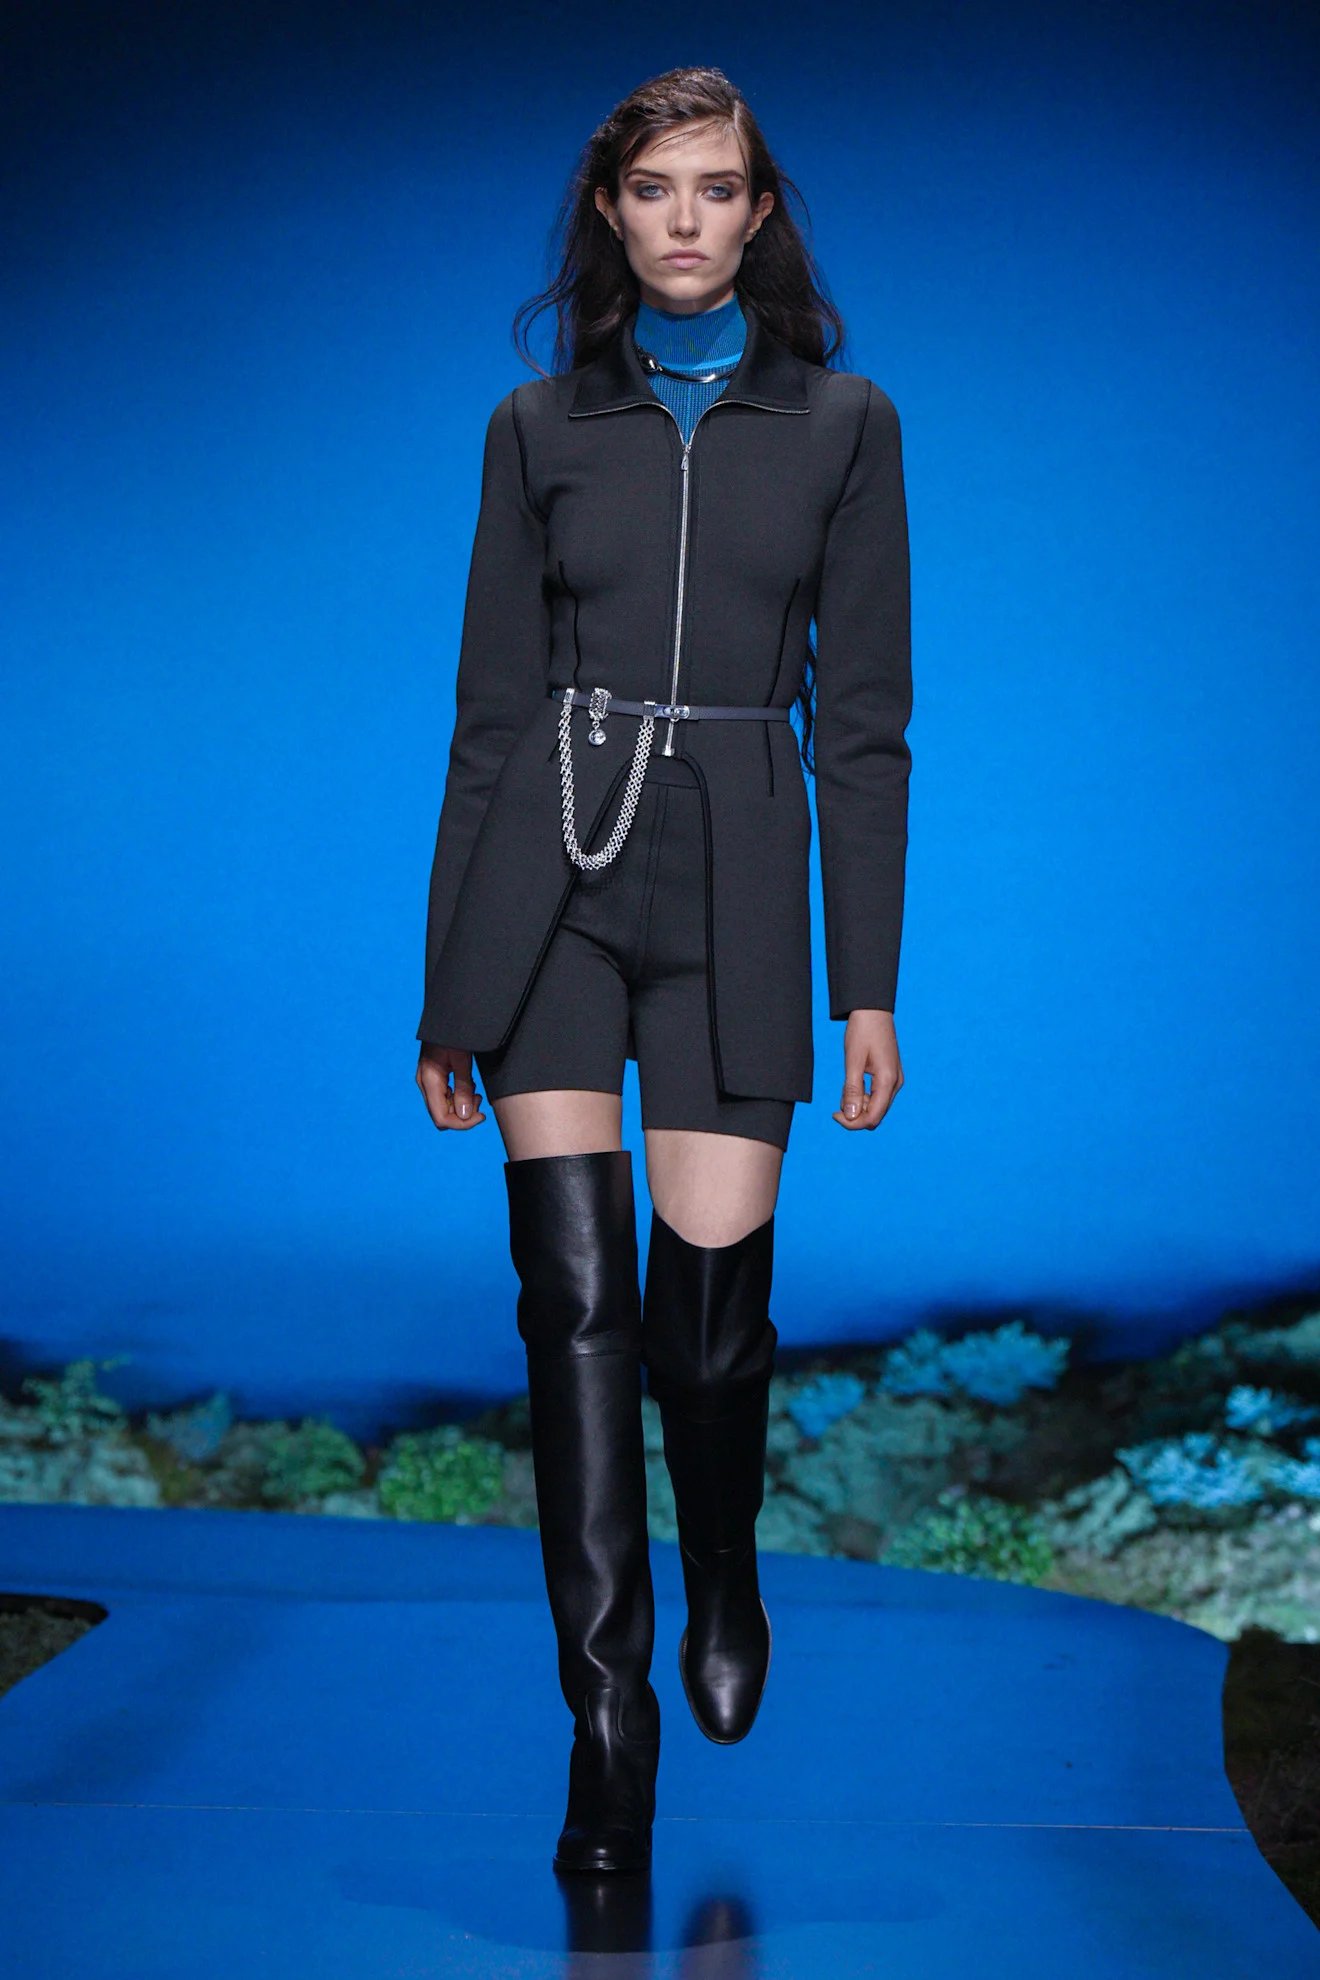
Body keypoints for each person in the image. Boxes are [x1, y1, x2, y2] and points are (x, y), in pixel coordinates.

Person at [414, 65, 911, 1877]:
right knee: (571, 1312)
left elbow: (863, 726)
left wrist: (868, 985)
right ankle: (606, 1723)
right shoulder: (534, 425)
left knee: (707, 1333)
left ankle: (725, 1570)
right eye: (653, 187)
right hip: (552, 868)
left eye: (716, 187)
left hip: (741, 884)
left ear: (759, 214)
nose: (685, 217)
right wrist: (449, 983)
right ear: (609, 212)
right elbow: (486, 715)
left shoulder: (845, 425)